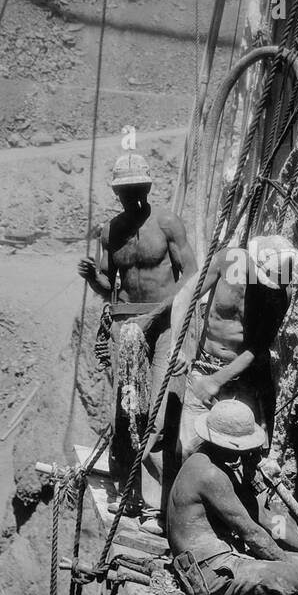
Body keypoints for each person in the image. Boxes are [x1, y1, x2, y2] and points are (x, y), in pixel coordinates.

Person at [78, 151, 196, 525]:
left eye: (137, 189)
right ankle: (127, 494)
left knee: (160, 412)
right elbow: (107, 286)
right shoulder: (110, 232)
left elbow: (192, 275)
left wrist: (166, 318)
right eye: (125, 191)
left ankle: (165, 503)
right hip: (126, 330)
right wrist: (90, 277)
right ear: (117, 193)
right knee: (126, 411)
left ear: (147, 187)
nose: (132, 196)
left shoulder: (166, 223)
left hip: (161, 327)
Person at [167, 399, 298, 595]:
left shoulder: (205, 461)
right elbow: (254, 535)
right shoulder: (211, 474)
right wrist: (294, 568)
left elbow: (263, 517)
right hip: (212, 578)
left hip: (209, 568)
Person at [168, 232, 298, 461]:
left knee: (237, 454)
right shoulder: (227, 261)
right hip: (204, 367)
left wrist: (216, 381)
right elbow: (185, 296)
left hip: (243, 380)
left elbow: (256, 349)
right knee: (189, 449)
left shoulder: (281, 294)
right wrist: (175, 346)